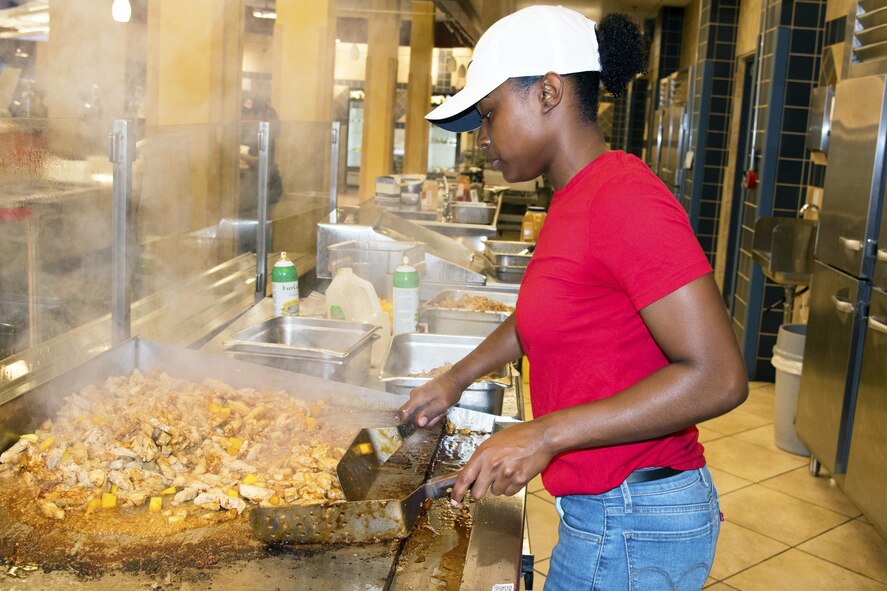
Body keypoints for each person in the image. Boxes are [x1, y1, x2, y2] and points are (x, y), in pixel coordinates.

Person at [398, 6, 748, 590]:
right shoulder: (573, 198)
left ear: (548, 92)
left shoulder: (624, 198)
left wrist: (544, 434)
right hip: (610, 512)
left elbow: (719, 377)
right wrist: (455, 378)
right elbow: (538, 318)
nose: (482, 138)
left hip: (634, 521)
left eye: (489, 114)